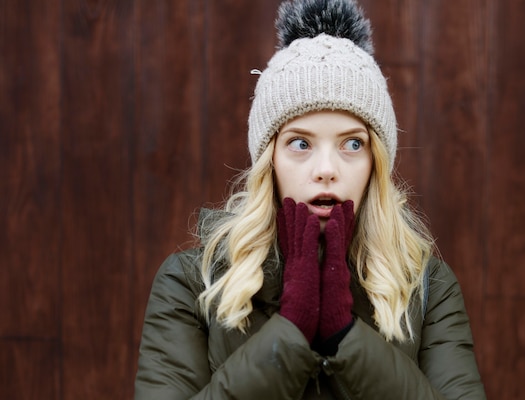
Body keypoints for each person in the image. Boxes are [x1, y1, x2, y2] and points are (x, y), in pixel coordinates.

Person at [134, 0, 486, 398]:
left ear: (376, 162)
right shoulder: (192, 282)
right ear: (270, 160)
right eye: (300, 143)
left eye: (353, 143)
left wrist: (346, 337)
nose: (326, 168)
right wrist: (289, 333)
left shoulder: (427, 288)